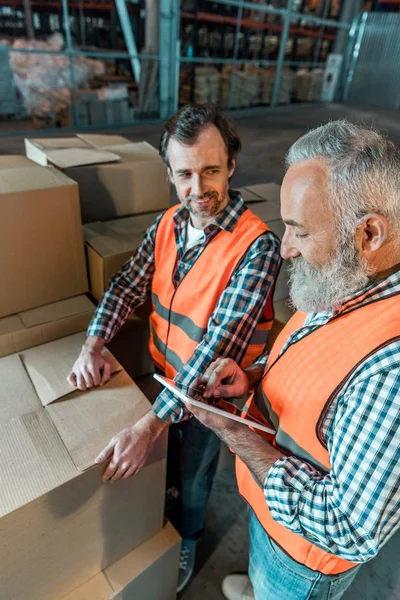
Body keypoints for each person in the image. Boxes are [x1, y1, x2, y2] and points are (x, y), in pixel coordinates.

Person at [67, 103, 281, 592]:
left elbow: (216, 346)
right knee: (163, 465)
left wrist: (147, 427)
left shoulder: (255, 246)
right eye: (184, 174)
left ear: (231, 165)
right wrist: (94, 343)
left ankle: (187, 540)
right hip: (164, 381)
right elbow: (126, 286)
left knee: (194, 478)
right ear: (169, 173)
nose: (198, 189)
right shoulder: (167, 225)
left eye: (210, 171)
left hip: (210, 399)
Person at [187, 120, 400, 600]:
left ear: (369, 233)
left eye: (299, 232)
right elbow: (324, 367)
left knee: (278, 585)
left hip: (302, 558)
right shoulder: (344, 281)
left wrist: (235, 434)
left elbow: (349, 528)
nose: (284, 249)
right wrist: (255, 377)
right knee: (263, 569)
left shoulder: (393, 369)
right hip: (272, 516)